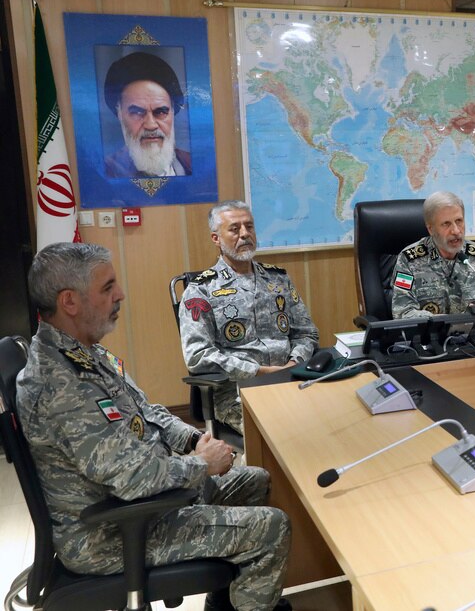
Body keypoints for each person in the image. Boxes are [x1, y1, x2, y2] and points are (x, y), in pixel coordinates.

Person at [17, 242, 291, 611]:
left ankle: (225, 603)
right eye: (107, 287)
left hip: (145, 503)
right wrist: (201, 464)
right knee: (271, 527)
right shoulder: (59, 384)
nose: (120, 294)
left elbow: (146, 412)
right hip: (109, 534)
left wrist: (195, 438)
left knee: (255, 481)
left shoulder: (83, 352)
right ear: (69, 301)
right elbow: (132, 478)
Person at [179, 201, 319, 434]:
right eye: (235, 229)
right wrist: (258, 371)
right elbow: (198, 355)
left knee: (334, 416)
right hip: (236, 391)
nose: (245, 234)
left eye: (249, 227)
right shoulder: (201, 290)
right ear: (216, 238)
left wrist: (294, 363)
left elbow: (306, 332)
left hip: (291, 379)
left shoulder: (278, 279)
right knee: (284, 430)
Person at [392, 191, 475, 327]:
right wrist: (444, 322)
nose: (456, 231)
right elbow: (402, 312)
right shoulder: (408, 260)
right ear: (431, 229)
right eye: (446, 224)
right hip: (431, 342)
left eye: (459, 221)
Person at [102, 51, 192, 178]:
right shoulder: (105, 172)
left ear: (172, 111)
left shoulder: (192, 165)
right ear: (120, 114)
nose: (150, 125)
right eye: (137, 112)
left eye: (160, 112)